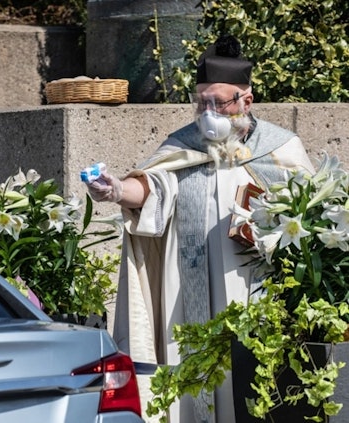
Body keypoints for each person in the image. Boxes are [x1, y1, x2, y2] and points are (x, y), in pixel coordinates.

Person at [85, 34, 315, 423]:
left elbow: (309, 211)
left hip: (256, 293)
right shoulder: (183, 145)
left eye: (219, 102)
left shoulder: (281, 148)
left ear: (247, 100)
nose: (209, 111)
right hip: (187, 295)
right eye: (202, 102)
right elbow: (154, 185)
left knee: (256, 386)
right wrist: (117, 190)